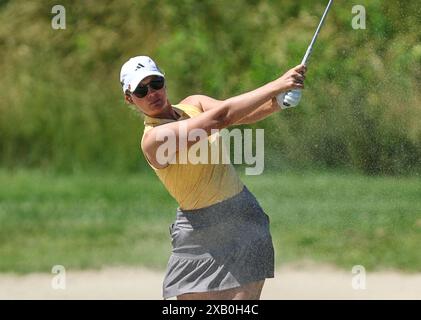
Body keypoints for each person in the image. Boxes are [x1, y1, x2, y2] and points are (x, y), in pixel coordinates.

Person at [119, 56, 306, 300]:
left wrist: (278, 103)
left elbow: (240, 115)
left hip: (243, 220)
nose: (152, 92)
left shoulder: (193, 103)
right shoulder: (154, 139)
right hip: (196, 230)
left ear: (164, 80)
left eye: (156, 83)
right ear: (129, 98)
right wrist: (277, 84)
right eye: (141, 90)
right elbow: (221, 118)